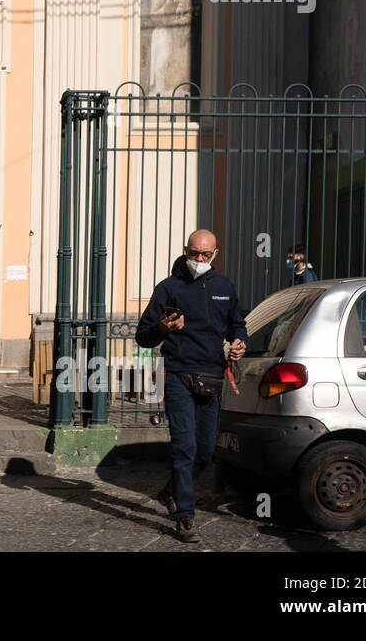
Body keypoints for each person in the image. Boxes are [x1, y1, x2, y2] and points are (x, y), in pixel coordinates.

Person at [136, 229, 247, 543]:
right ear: (186, 251)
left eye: (206, 255)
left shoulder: (225, 287)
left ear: (216, 254)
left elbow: (237, 322)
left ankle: (171, 491)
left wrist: (240, 341)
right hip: (179, 375)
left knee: (205, 451)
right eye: (194, 253)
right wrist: (162, 326)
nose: (199, 260)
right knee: (184, 447)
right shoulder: (169, 288)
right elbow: (143, 336)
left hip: (212, 377)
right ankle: (184, 515)